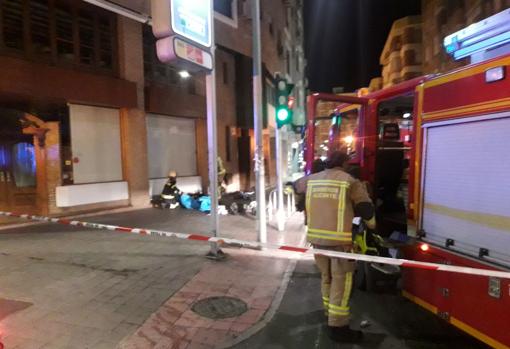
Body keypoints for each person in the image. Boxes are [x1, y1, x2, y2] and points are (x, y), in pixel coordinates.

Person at [295, 151, 374, 342]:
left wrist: (301, 202)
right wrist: (372, 224)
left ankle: (328, 312)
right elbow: (366, 210)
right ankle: (338, 327)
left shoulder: (310, 179)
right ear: (345, 163)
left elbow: (296, 188)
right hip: (340, 243)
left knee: (326, 277)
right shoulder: (350, 181)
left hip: (317, 240)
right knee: (342, 282)